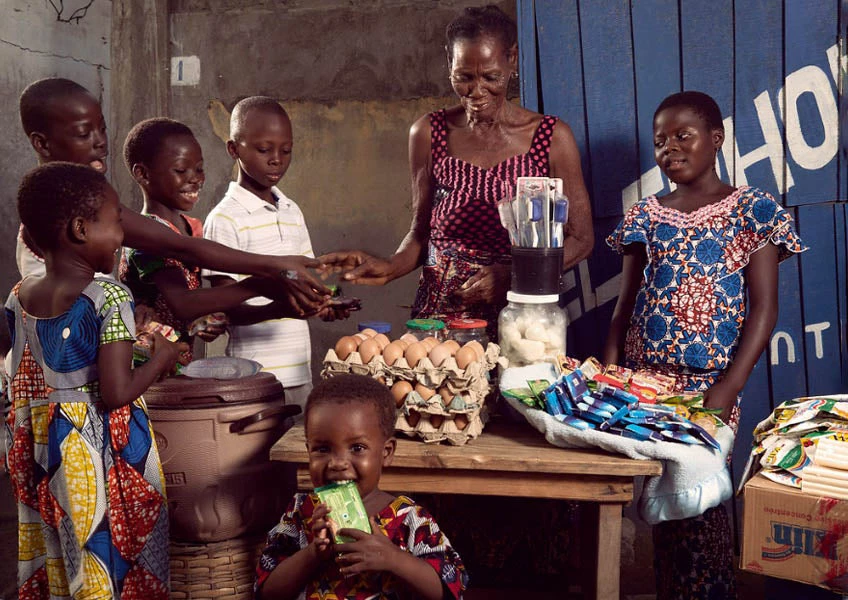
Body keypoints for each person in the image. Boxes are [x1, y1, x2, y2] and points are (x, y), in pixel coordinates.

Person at [603, 91, 806, 599]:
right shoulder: (646, 214)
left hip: (708, 389)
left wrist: (729, 387)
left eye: (682, 136)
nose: (668, 148)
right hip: (643, 386)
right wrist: (608, 373)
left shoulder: (752, 209)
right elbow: (625, 305)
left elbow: (764, 309)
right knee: (661, 508)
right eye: (659, 141)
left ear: (716, 138)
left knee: (700, 506)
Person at [320, 5, 593, 338]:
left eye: (491, 77)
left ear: (513, 60)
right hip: (438, 320)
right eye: (464, 77)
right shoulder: (427, 132)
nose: (477, 92)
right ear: (449, 63)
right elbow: (421, 235)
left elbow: (581, 239)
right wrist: (388, 266)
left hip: (521, 321)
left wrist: (514, 274)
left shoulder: (550, 138)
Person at [5, 162, 185, 598]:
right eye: (116, 223)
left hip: (43, 449)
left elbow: (47, 360)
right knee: (105, 549)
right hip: (98, 451)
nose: (122, 236)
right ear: (82, 229)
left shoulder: (19, 293)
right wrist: (161, 358)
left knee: (58, 550)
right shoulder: (109, 294)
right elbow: (116, 391)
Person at [16, 77, 328, 314]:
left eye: (102, 129)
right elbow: (182, 249)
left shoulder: (91, 200)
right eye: (85, 134)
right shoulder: (50, 207)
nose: (100, 143)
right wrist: (274, 269)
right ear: (42, 144)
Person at [254, 374, 468, 600]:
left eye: (357, 448)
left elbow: (450, 589)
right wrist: (313, 554)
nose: (337, 463)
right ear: (308, 451)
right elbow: (266, 591)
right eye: (322, 449)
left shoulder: (410, 519)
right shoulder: (300, 512)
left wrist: (393, 558)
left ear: (386, 453)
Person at [119, 117, 304, 361]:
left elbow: (187, 312)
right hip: (145, 373)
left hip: (177, 365)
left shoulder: (192, 228)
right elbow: (183, 303)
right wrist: (260, 284)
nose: (195, 178)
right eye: (181, 170)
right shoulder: (146, 239)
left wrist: (206, 322)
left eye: (199, 169)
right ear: (143, 174)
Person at [203, 97, 347, 408]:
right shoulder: (224, 219)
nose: (276, 160)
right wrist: (280, 309)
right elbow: (229, 309)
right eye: (264, 149)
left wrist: (325, 303)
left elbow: (305, 284)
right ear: (234, 149)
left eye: (286, 150)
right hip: (253, 379)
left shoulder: (292, 210)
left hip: (299, 371)